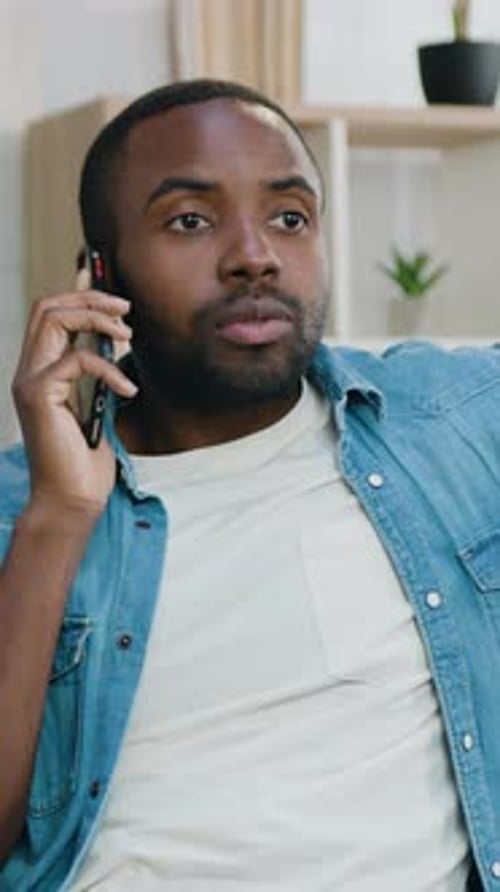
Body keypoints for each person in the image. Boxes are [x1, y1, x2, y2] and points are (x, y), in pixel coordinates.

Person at [0, 78, 496, 892]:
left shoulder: (455, 419)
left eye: (289, 217)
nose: (255, 254)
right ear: (99, 271)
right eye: (190, 220)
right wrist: (59, 517)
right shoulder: (28, 508)